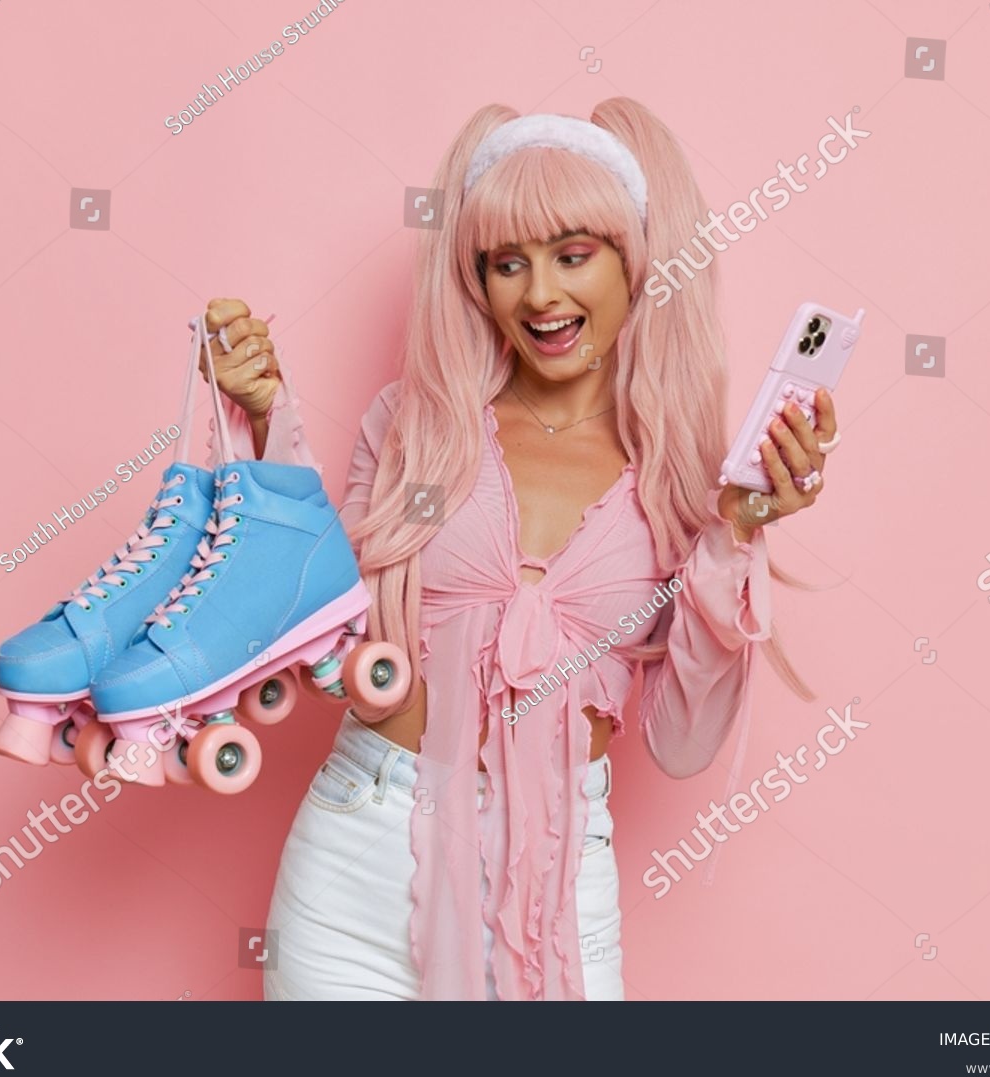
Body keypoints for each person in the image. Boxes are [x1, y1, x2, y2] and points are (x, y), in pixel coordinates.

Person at [196, 98, 839, 1000]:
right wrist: (264, 420)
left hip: (559, 874)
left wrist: (737, 531)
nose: (540, 295)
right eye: (508, 263)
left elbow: (684, 742)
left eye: (573, 256)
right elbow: (320, 625)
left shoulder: (686, 482)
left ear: (635, 262)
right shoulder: (416, 427)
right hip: (362, 850)